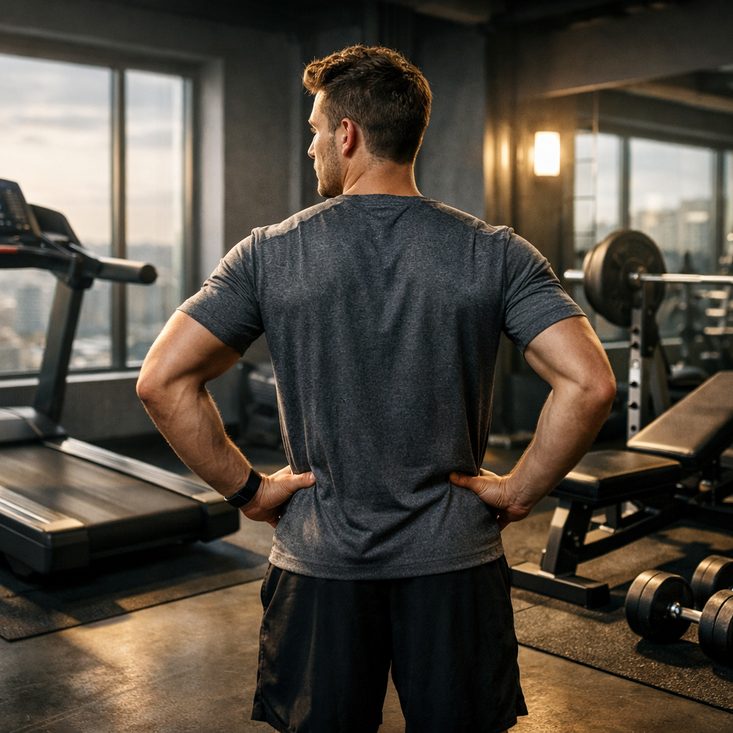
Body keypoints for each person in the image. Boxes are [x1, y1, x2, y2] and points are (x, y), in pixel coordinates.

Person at [136, 45, 616, 733]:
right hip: (455, 565)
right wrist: (518, 492)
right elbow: (589, 383)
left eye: (313, 130)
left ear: (347, 135)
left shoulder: (268, 253)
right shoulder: (496, 252)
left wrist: (251, 493)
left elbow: (162, 381)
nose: (309, 147)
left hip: (319, 564)